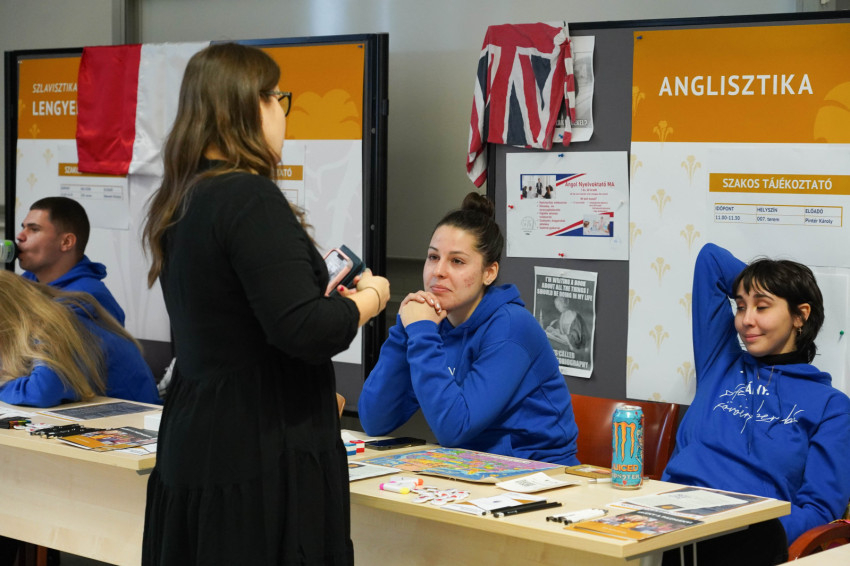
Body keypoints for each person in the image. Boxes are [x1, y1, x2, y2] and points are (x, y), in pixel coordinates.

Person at [140, 43, 389, 566]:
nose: (282, 112)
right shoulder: (247, 196)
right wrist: (370, 299)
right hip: (258, 443)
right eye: (278, 97)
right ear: (249, 105)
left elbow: (241, 317)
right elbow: (305, 329)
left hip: (200, 430)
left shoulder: (182, 197)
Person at [661, 243, 850, 566]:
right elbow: (710, 259)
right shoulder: (720, 362)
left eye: (762, 307)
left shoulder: (831, 407)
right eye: (740, 307)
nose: (746, 320)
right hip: (664, 519)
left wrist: (752, 528)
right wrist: (761, 285)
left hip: (743, 537)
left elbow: (819, 510)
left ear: (800, 315)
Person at [358, 192, 579, 465]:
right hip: (469, 467)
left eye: (457, 261)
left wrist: (422, 332)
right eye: (433, 257)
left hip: (538, 472)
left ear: (489, 273)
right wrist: (404, 330)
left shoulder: (511, 326)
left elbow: (455, 429)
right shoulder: (432, 323)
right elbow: (375, 420)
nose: (438, 271)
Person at [0, 271, 160, 407]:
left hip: (140, 420)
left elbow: (42, 391)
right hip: (117, 416)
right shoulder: (37, 325)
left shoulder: (52, 325)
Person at [16, 196, 125, 325]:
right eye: (23, 228)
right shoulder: (27, 281)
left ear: (66, 242)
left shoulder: (86, 301)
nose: (20, 236)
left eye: (34, 229)